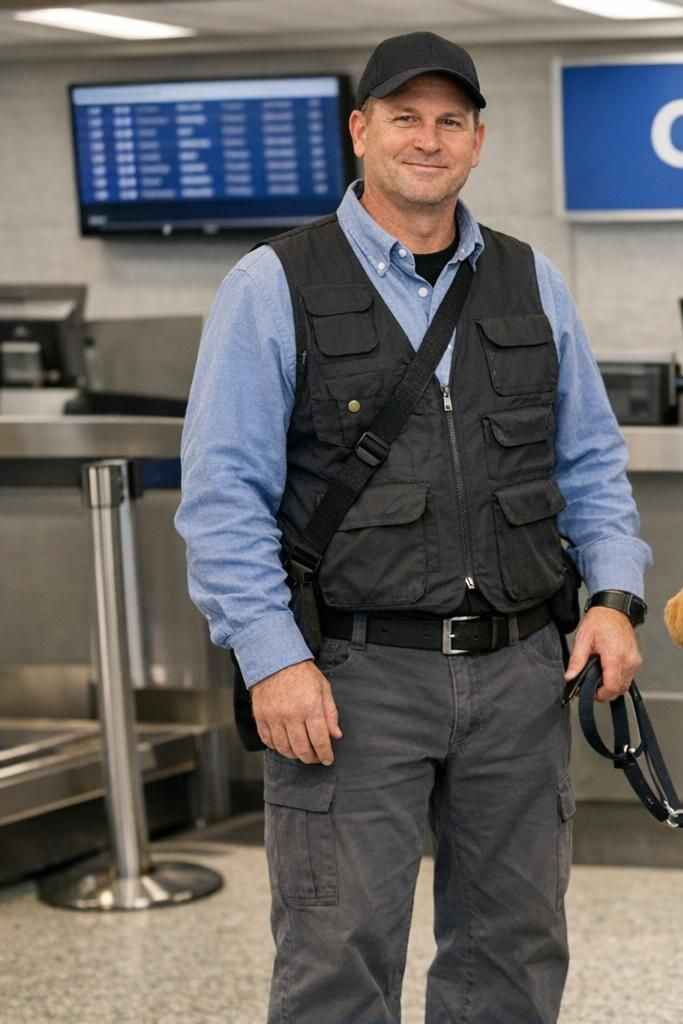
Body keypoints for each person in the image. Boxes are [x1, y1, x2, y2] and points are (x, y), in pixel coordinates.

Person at [175, 31, 651, 1024]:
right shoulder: (272, 285)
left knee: (514, 953)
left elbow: (592, 460)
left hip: (523, 667)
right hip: (350, 679)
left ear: (478, 141)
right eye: (404, 117)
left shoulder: (532, 281)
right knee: (338, 958)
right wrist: (271, 659)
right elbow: (223, 500)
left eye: (450, 121)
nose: (427, 140)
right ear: (360, 133)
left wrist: (611, 599)